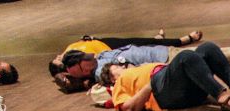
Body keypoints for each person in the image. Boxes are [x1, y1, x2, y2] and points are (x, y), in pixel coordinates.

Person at [54, 31, 230, 93]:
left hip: (157, 53)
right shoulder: (102, 72)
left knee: (202, 51)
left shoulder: (99, 59)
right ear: (81, 70)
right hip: (161, 62)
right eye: (84, 62)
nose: (88, 59)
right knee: (201, 53)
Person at [103, 42, 230, 111]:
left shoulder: (137, 67)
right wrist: (149, 86)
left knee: (207, 48)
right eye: (115, 69)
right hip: (162, 93)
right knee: (185, 56)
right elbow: (129, 107)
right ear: (111, 79)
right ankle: (222, 97)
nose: (120, 67)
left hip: (180, 85)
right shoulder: (118, 85)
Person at [48, 30, 205, 75]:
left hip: (103, 41)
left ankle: (156, 38)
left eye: (56, 57)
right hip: (112, 51)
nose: (58, 56)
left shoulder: (69, 52)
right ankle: (183, 40)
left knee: (141, 41)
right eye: (58, 61)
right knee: (147, 46)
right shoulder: (73, 64)